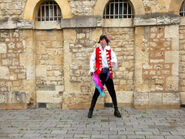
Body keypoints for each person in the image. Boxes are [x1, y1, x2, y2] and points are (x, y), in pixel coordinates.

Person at [88, 35, 122, 118]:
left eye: (104, 40)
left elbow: (114, 58)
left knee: (112, 92)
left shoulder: (109, 49)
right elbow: (92, 59)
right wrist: (92, 69)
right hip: (100, 74)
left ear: (106, 41)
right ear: (100, 41)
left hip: (108, 73)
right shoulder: (96, 50)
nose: (102, 41)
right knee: (96, 93)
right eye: (101, 40)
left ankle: (116, 110)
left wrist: (113, 62)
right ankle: (91, 110)